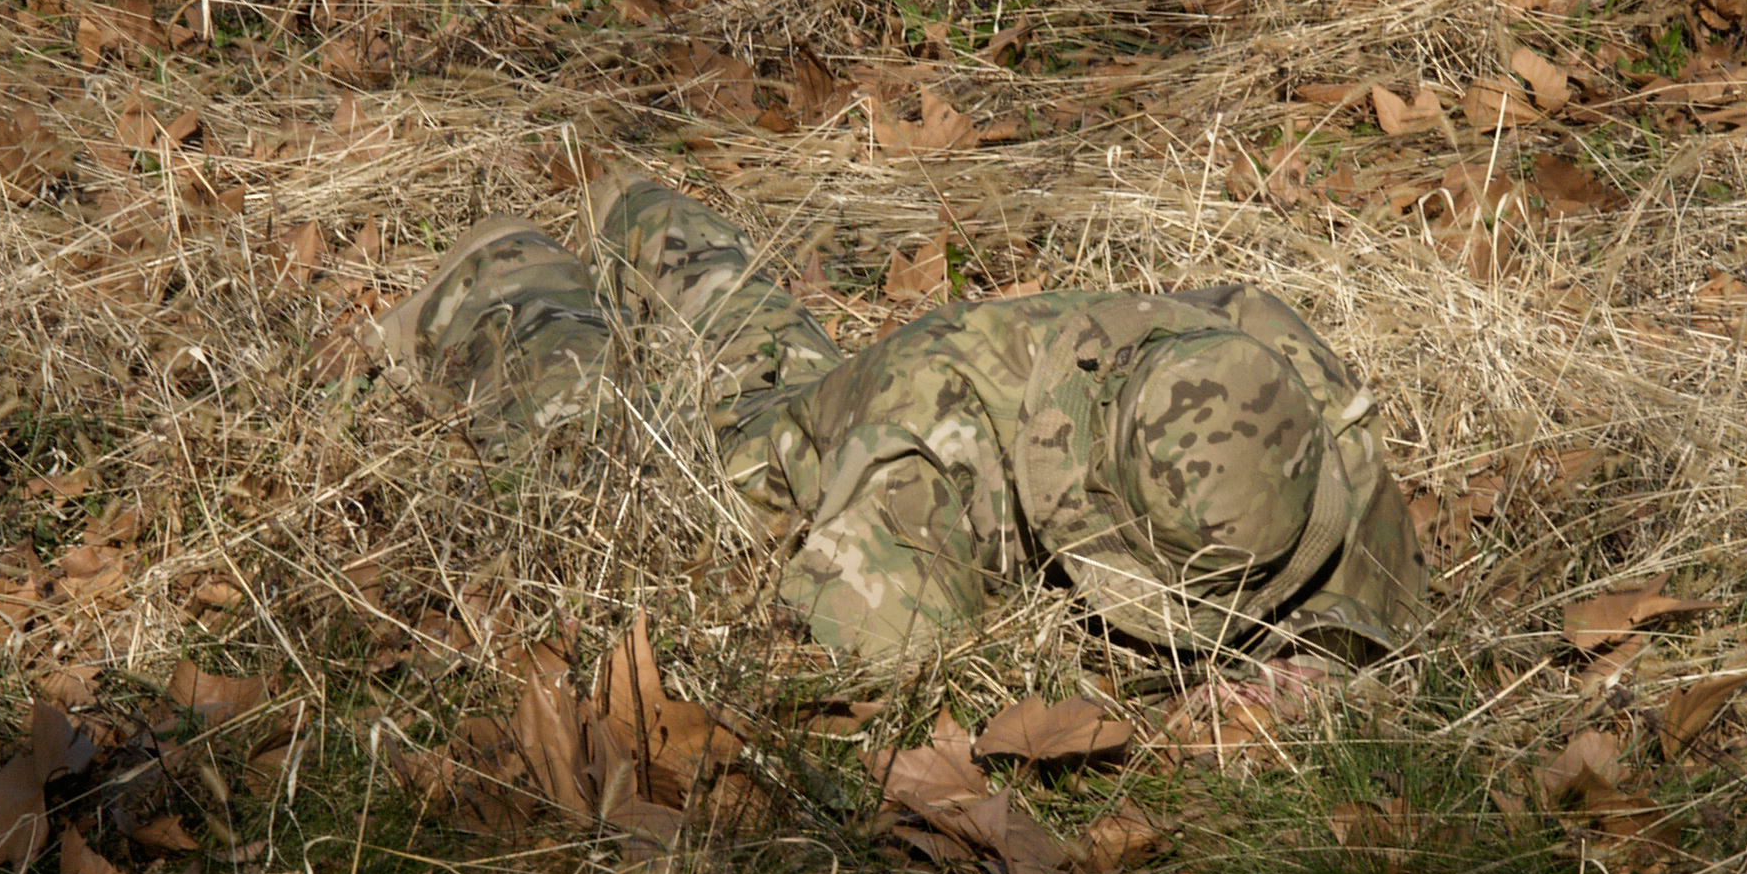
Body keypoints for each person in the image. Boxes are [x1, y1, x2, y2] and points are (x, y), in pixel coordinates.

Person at [373, 168, 1425, 662]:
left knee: (770, 355)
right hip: (808, 451)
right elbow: (879, 680)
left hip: (910, 379)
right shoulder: (913, 467)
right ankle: (506, 275)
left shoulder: (1256, 361)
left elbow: (1377, 588)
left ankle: (650, 220)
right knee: (597, 438)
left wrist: (1314, 655)